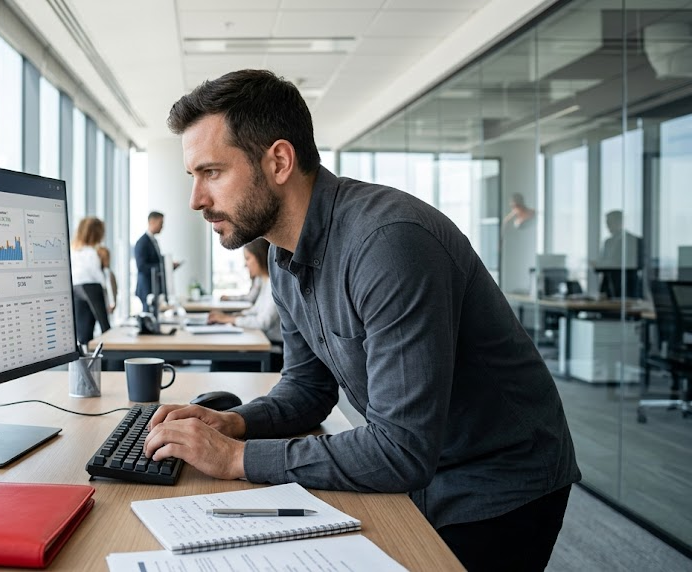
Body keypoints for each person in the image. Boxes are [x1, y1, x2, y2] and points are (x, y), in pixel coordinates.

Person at [145, 69, 580, 571]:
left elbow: (401, 449)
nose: (195, 199)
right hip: (420, 472)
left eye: (212, 172)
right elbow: (308, 389)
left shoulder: (388, 244)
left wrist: (234, 458)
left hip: (496, 483)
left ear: (279, 161)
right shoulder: (286, 257)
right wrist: (235, 422)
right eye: (192, 177)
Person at [207, 238, 279, 343]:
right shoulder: (266, 282)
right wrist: (231, 316)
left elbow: (263, 322)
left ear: (260, 256)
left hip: (272, 344)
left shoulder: (274, 284)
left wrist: (229, 319)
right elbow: (256, 310)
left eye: (248, 258)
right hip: (263, 339)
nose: (246, 265)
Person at [70, 217, 114, 345]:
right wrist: (109, 301)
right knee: (105, 327)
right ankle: (110, 361)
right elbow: (102, 278)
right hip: (92, 287)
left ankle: (85, 363)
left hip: (75, 287)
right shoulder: (95, 252)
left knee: (83, 332)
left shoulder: (73, 250)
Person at [134, 211, 179, 313]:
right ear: (152, 222)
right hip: (147, 288)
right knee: (149, 316)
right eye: (161, 223)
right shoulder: (142, 242)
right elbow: (141, 267)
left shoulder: (153, 241)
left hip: (154, 287)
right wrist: (163, 268)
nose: (162, 226)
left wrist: (168, 266)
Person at [594, 210, 642, 298]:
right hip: (609, 288)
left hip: (628, 288)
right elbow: (604, 264)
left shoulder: (634, 241)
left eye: (610, 222)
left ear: (619, 222)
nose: (607, 226)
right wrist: (598, 265)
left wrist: (608, 264)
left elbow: (638, 264)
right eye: (607, 223)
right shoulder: (608, 242)